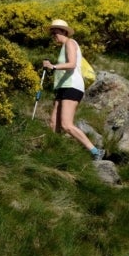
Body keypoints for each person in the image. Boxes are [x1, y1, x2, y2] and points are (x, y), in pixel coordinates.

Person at [43, 19, 105, 161]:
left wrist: (53, 66)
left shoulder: (70, 43)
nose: (53, 35)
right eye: (52, 33)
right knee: (54, 123)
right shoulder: (63, 46)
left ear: (64, 32)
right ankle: (53, 153)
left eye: (56, 32)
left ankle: (95, 151)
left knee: (66, 125)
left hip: (72, 86)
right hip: (63, 87)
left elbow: (71, 64)